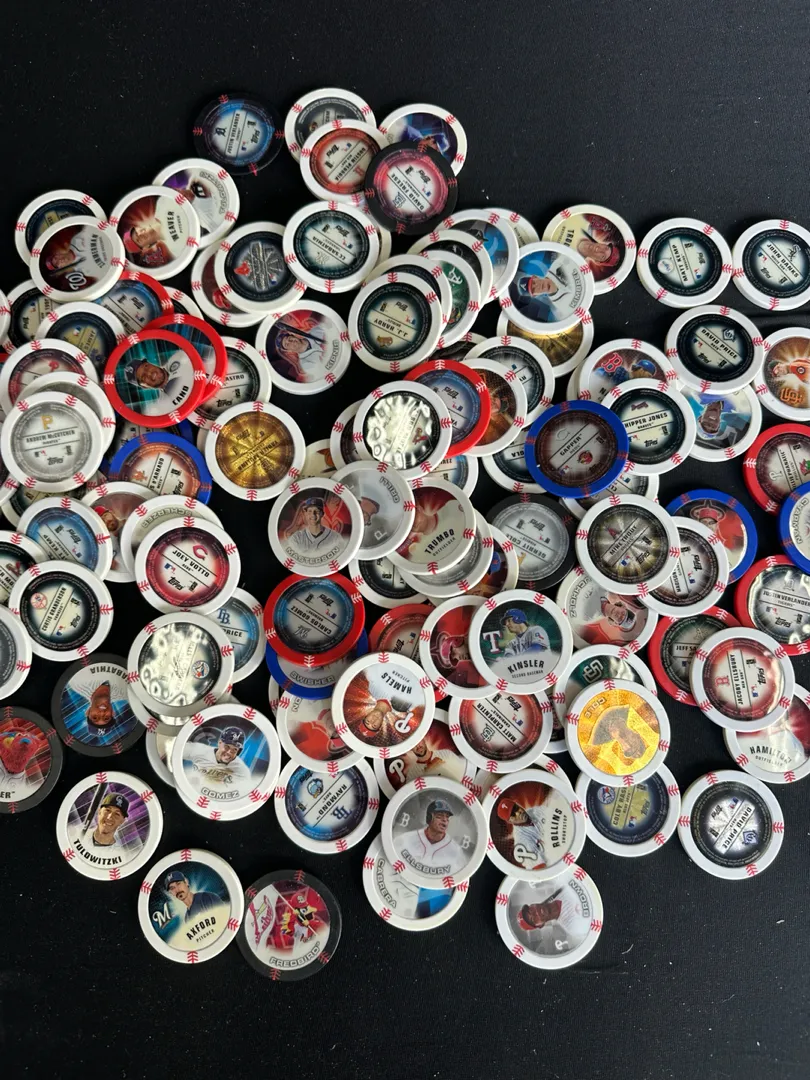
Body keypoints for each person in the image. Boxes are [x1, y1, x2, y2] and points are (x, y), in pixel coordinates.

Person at [397, 798, 466, 875]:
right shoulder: (407, 839)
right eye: (439, 816)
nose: (444, 820)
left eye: (447, 817)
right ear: (429, 818)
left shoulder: (455, 850)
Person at [182, 726, 252, 794]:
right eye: (227, 747)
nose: (229, 752)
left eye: (234, 750)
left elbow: (243, 793)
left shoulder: (241, 770)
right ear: (219, 743)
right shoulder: (200, 750)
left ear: (238, 752)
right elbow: (177, 748)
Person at [517, 884, 590, 942]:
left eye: (530, 910)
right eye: (533, 919)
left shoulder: (559, 887)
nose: (536, 913)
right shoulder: (572, 927)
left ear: (532, 904)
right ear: (541, 925)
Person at [495, 796, 548, 869]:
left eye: (516, 808)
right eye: (513, 814)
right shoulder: (521, 841)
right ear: (510, 821)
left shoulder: (534, 811)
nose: (518, 813)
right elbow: (539, 869)